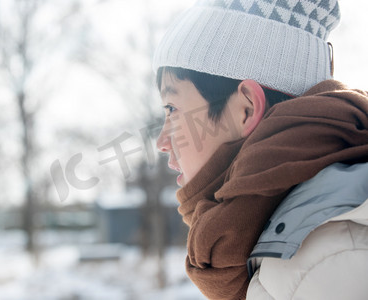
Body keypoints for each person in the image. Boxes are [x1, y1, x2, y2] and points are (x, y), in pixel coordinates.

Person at [152, 0, 368, 299]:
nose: (162, 141)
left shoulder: (323, 262)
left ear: (246, 109)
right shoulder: (283, 247)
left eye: (172, 108)